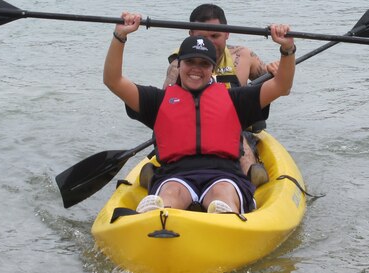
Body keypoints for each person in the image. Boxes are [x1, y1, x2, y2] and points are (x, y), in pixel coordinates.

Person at [104, 12, 296, 215]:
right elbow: (113, 81)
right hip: (175, 176)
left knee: (222, 193)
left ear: (212, 68)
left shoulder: (235, 100)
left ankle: (226, 216)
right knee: (171, 193)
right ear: (180, 64)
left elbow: (282, 86)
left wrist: (287, 49)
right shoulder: (158, 100)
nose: (196, 69)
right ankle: (156, 215)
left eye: (203, 63)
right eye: (190, 62)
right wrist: (120, 35)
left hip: (225, 175)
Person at [162, 3, 278, 187]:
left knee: (235, 132)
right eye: (202, 37)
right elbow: (165, 111)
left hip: (235, 129)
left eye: (215, 36)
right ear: (191, 35)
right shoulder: (179, 65)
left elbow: (271, 79)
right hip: (193, 133)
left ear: (226, 33)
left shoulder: (242, 56)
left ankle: (249, 177)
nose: (209, 41)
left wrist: (277, 67)